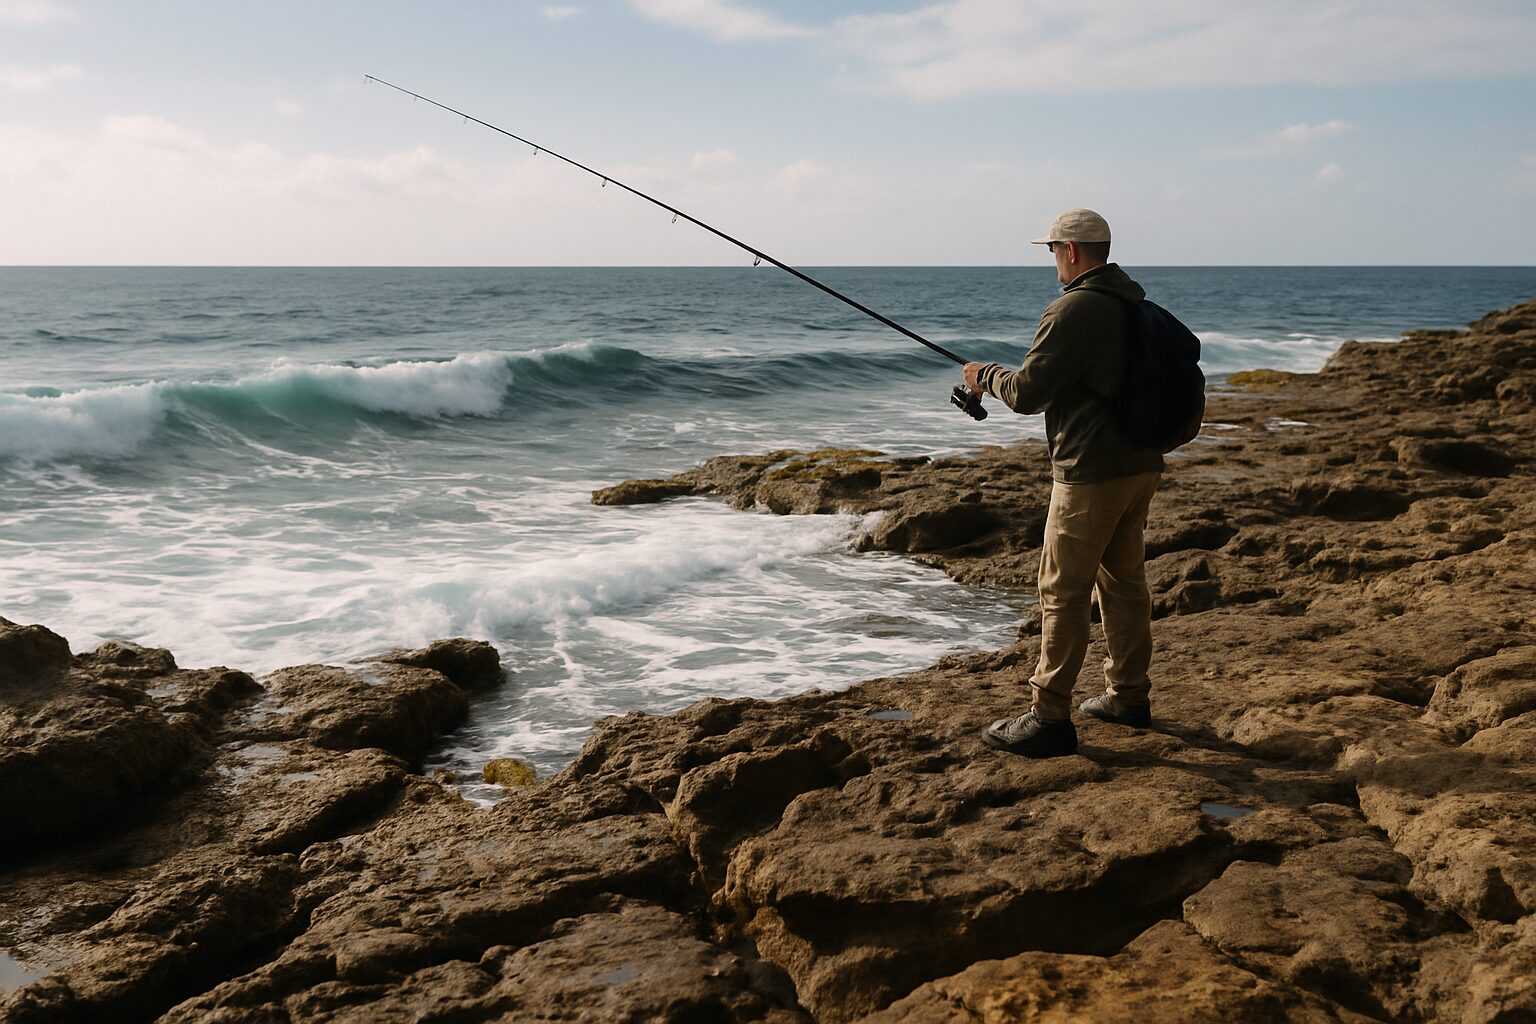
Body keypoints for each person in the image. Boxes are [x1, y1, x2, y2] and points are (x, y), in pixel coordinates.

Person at [962, 208, 1163, 758]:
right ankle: (1128, 697)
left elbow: (1027, 393)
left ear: (1071, 250)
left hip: (1091, 472)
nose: (1053, 260)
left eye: (1053, 250)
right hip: (1140, 464)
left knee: (1062, 590)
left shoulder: (1073, 308)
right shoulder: (1133, 302)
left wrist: (984, 375)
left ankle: (1049, 717)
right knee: (1123, 583)